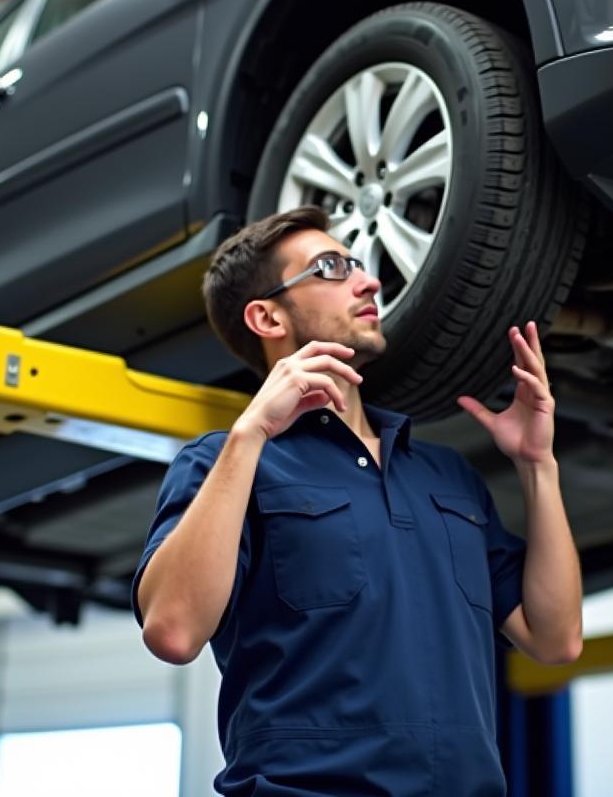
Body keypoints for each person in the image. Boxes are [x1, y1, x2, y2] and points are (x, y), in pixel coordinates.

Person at [133, 205, 583, 796]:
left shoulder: (445, 476)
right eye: (331, 267)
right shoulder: (225, 464)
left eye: (359, 266)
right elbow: (172, 630)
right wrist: (249, 434)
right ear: (267, 316)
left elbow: (555, 640)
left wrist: (537, 467)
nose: (368, 281)